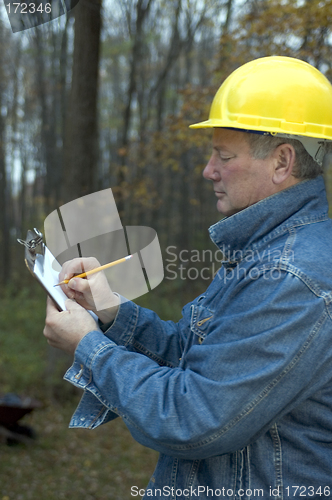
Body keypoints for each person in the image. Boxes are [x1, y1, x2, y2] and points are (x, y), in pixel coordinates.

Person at [44, 56, 332, 499]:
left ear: (282, 161)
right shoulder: (266, 253)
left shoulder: (290, 276)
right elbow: (197, 361)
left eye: (223, 155)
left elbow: (193, 418)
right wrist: (111, 312)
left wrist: (89, 347)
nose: (208, 170)